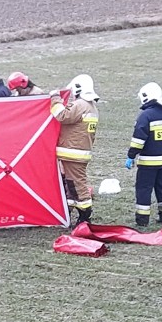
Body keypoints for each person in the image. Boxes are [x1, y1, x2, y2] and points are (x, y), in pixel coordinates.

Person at [50, 74, 100, 225]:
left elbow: (62, 115)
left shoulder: (80, 105)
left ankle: (85, 214)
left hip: (73, 152)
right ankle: (72, 211)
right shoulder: (92, 107)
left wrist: (55, 98)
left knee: (77, 184)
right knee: (71, 184)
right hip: (79, 152)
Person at [125, 82, 162, 226]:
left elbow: (138, 140)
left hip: (148, 162)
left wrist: (131, 156)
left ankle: (142, 220)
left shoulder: (145, 116)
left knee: (143, 189)